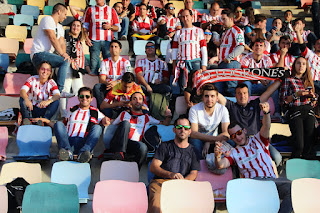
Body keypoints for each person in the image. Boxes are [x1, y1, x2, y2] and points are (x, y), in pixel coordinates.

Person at [214, 102, 293, 213]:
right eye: (233, 136)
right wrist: (217, 156)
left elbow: (266, 126)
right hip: (253, 184)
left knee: (294, 190)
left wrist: (266, 113)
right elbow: (221, 165)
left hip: (272, 181)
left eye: (239, 132)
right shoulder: (234, 152)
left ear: (245, 130)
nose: (238, 137)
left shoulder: (258, 139)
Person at [34, 87, 110, 163]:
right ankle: (67, 152)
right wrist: (47, 121)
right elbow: (61, 128)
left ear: (91, 98)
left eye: (87, 96)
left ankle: (84, 153)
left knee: (97, 128)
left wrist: (106, 120)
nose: (84, 98)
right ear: (78, 98)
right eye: (81, 96)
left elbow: (106, 121)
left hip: (84, 142)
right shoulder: (72, 110)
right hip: (68, 141)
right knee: (59, 123)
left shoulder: (96, 112)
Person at [218, 82, 283, 167]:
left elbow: (268, 92)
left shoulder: (255, 104)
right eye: (239, 93)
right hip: (239, 142)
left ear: (248, 94)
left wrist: (280, 80)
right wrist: (204, 80)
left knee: (277, 157)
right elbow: (216, 95)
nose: (242, 96)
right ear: (236, 95)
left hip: (257, 141)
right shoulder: (231, 106)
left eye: (244, 93)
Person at [148, 114, 200, 213]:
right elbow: (153, 167)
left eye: (186, 128)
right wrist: (171, 174)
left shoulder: (194, 151)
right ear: (174, 130)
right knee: (156, 205)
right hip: (161, 182)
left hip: (183, 184)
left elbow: (194, 173)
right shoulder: (165, 146)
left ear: (190, 131)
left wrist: (183, 181)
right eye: (179, 127)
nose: (182, 130)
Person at [108, 92, 171, 167]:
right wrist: (106, 120)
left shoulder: (147, 117)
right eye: (134, 99)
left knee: (143, 147)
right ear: (130, 102)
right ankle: (119, 154)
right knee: (126, 123)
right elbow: (112, 123)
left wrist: (168, 116)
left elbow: (164, 124)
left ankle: (135, 170)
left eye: (140, 99)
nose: (137, 101)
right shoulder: (124, 113)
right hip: (119, 143)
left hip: (133, 145)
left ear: (143, 102)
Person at [280, 57, 317, 159]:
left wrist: (313, 99)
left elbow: (313, 103)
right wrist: (297, 94)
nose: (301, 66)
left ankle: (308, 170)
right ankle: (295, 166)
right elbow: (283, 102)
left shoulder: (309, 81)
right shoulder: (288, 80)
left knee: (309, 145)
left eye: (304, 64)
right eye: (298, 63)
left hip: (308, 111)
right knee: (299, 145)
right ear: (294, 65)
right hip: (295, 112)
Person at [30, 3, 70, 92]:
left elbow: (62, 43)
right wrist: (62, 54)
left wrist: (64, 55)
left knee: (65, 60)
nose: (65, 17)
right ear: (59, 12)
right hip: (39, 54)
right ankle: (60, 90)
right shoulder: (47, 19)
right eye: (65, 14)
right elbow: (52, 37)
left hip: (48, 55)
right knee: (65, 61)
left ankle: (54, 92)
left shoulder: (60, 27)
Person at [172, 9, 207, 107]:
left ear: (191, 17)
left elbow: (204, 49)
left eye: (187, 16)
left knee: (197, 86)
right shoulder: (178, 33)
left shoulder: (199, 31)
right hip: (182, 63)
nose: (185, 18)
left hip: (196, 61)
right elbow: (174, 50)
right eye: (183, 17)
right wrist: (174, 63)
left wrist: (204, 65)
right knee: (184, 86)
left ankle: (197, 106)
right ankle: (186, 107)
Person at [188, 84, 230, 160]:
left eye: (212, 96)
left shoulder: (222, 109)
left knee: (231, 142)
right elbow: (193, 133)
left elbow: (226, 133)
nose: (209, 99)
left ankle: (225, 167)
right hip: (199, 138)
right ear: (202, 98)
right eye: (206, 96)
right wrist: (213, 139)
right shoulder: (194, 109)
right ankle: (197, 168)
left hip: (215, 138)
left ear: (217, 98)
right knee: (195, 142)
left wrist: (209, 141)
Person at [241, 39, 280, 116]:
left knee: (272, 84)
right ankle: (245, 111)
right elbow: (244, 73)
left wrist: (267, 81)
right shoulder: (246, 58)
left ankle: (277, 112)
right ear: (252, 47)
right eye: (256, 45)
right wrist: (259, 78)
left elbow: (270, 74)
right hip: (251, 85)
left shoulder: (267, 59)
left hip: (262, 85)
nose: (258, 47)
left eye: (261, 45)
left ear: (264, 48)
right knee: (246, 84)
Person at [83, 0, 120, 75]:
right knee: (94, 67)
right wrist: (86, 38)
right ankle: (95, 85)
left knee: (109, 66)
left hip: (108, 41)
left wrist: (110, 27)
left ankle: (108, 83)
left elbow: (118, 28)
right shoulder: (90, 9)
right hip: (94, 41)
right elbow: (85, 26)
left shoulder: (111, 10)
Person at [93, 40, 132, 109]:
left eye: (116, 47)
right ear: (109, 49)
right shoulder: (104, 62)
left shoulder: (125, 62)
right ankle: (102, 109)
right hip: (108, 86)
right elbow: (102, 79)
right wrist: (108, 83)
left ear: (120, 50)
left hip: (121, 86)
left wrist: (116, 82)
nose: (113, 48)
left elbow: (128, 78)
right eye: (112, 47)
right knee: (97, 87)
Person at [214, 9, 244, 96]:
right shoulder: (225, 32)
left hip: (231, 63)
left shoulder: (237, 30)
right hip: (222, 63)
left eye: (224, 19)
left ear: (231, 18)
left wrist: (229, 57)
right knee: (219, 90)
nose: (222, 22)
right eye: (221, 19)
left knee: (230, 89)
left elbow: (241, 46)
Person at [59, 20, 86, 118]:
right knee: (64, 90)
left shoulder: (79, 41)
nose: (75, 27)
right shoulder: (66, 38)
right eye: (73, 25)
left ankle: (76, 113)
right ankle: (63, 114)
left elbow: (81, 56)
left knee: (78, 91)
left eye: (78, 26)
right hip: (67, 66)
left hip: (77, 69)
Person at [295, 23, 320, 93]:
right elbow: (302, 45)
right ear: (314, 46)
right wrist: (297, 32)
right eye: (318, 43)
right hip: (312, 82)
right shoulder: (310, 54)